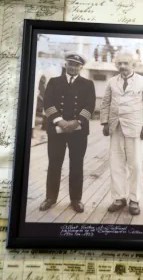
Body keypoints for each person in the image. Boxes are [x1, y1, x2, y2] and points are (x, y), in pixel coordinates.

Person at [100, 52, 143, 215]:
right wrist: (105, 122)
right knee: (116, 164)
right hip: (115, 128)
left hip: (135, 129)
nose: (122, 66)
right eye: (119, 63)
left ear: (133, 64)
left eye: (126, 63)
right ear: (116, 65)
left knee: (136, 165)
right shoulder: (112, 82)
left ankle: (134, 200)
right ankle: (119, 198)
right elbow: (105, 103)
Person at [39, 52, 96, 213]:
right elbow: (47, 103)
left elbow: (89, 106)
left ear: (80, 67)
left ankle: (76, 199)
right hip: (57, 129)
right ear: (66, 65)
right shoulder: (54, 82)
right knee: (54, 163)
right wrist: (60, 121)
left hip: (78, 131)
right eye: (70, 64)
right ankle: (50, 198)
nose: (73, 67)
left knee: (77, 164)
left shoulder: (88, 84)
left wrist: (76, 121)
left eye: (76, 65)